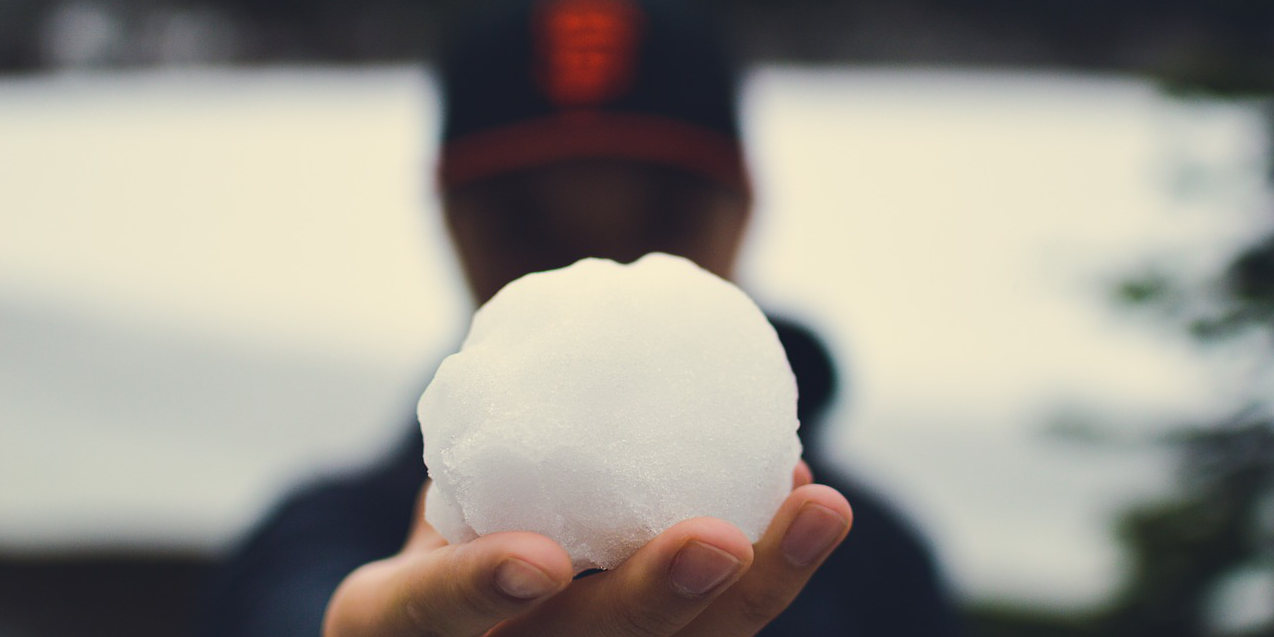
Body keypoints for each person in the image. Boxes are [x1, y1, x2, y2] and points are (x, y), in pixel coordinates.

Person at [202, 0, 963, 634]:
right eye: (526, 220)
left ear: (746, 206)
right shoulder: (324, 542)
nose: (596, 263)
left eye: (663, 210)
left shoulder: (871, 566)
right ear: (449, 219)